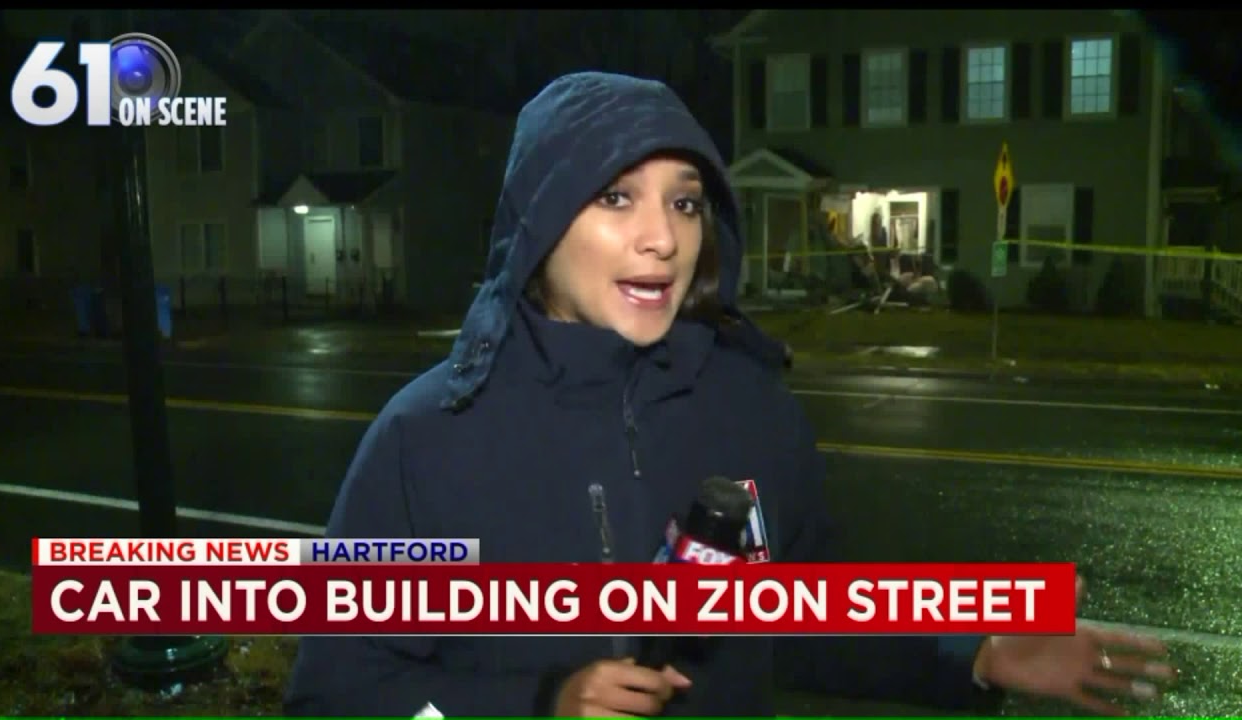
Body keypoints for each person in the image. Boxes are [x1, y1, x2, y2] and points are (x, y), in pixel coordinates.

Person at [284, 71, 1175, 717]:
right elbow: (341, 697)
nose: (661, 238)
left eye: (684, 202)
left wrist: (972, 651)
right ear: (539, 219)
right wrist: (539, 704)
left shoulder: (750, 409)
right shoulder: (425, 438)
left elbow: (810, 612)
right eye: (615, 196)